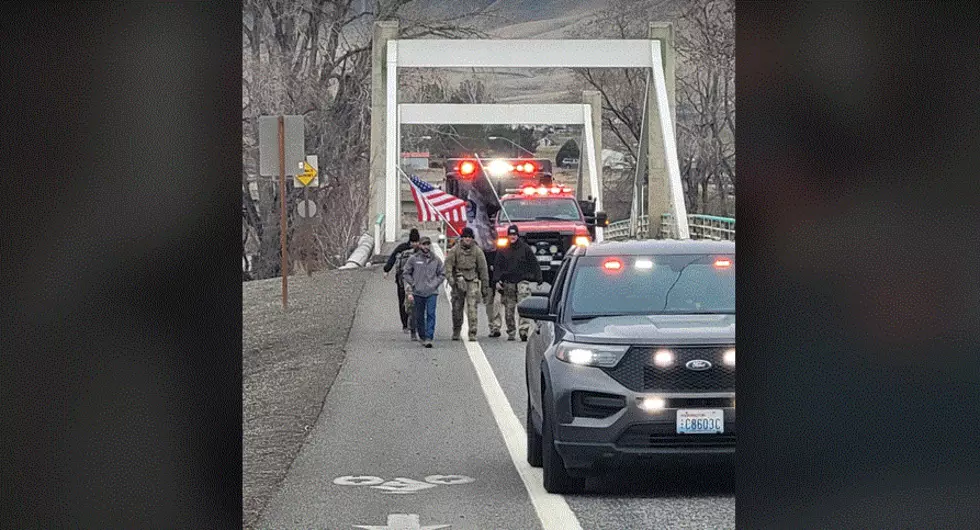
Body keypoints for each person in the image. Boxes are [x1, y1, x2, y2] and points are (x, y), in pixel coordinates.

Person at [493, 224, 542, 341]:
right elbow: (497, 266)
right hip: (508, 283)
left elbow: (534, 264)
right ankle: (511, 331)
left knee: (523, 308)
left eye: (514, 234)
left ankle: (523, 331)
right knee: (509, 310)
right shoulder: (503, 250)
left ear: (518, 235)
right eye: (510, 234)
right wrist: (496, 280)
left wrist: (539, 279)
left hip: (522, 282)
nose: (512, 237)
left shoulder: (525, 248)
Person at [444, 227, 490, 341]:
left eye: (469, 237)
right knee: (456, 309)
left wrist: (485, 287)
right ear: (462, 238)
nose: (467, 239)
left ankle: (473, 332)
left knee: (472, 309)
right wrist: (451, 280)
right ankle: (456, 330)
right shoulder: (455, 250)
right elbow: (448, 266)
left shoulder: (477, 251)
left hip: (472, 281)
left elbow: (483, 269)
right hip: (458, 281)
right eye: (465, 237)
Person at [402, 236, 445, 348]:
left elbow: (442, 273)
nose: (426, 246)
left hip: (432, 291)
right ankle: (422, 335)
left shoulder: (435, 259)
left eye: (428, 244)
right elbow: (406, 272)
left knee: (431, 314)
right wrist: (413, 283)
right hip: (418, 291)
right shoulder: (414, 259)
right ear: (420, 245)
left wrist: (435, 283)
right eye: (424, 244)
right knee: (419, 315)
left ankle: (429, 337)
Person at [383, 228, 420, 339]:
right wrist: (386, 269)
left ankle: (411, 324)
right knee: (403, 301)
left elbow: (393, 257)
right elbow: (392, 258)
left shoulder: (404, 248)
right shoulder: (404, 248)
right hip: (402, 279)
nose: (415, 244)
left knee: (412, 301)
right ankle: (405, 324)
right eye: (413, 242)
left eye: (416, 242)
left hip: (414, 280)